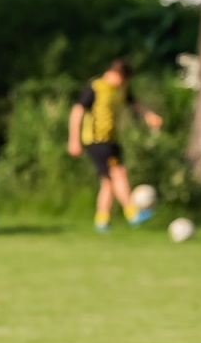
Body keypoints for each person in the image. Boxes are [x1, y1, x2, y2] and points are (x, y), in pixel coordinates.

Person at [67, 58, 161, 231]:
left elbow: (134, 103)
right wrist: (74, 140)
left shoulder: (121, 89)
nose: (124, 84)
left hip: (112, 140)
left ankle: (102, 220)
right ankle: (132, 213)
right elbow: (77, 111)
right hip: (96, 140)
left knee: (108, 182)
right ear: (117, 74)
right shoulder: (96, 87)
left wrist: (149, 116)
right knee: (118, 172)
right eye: (124, 79)